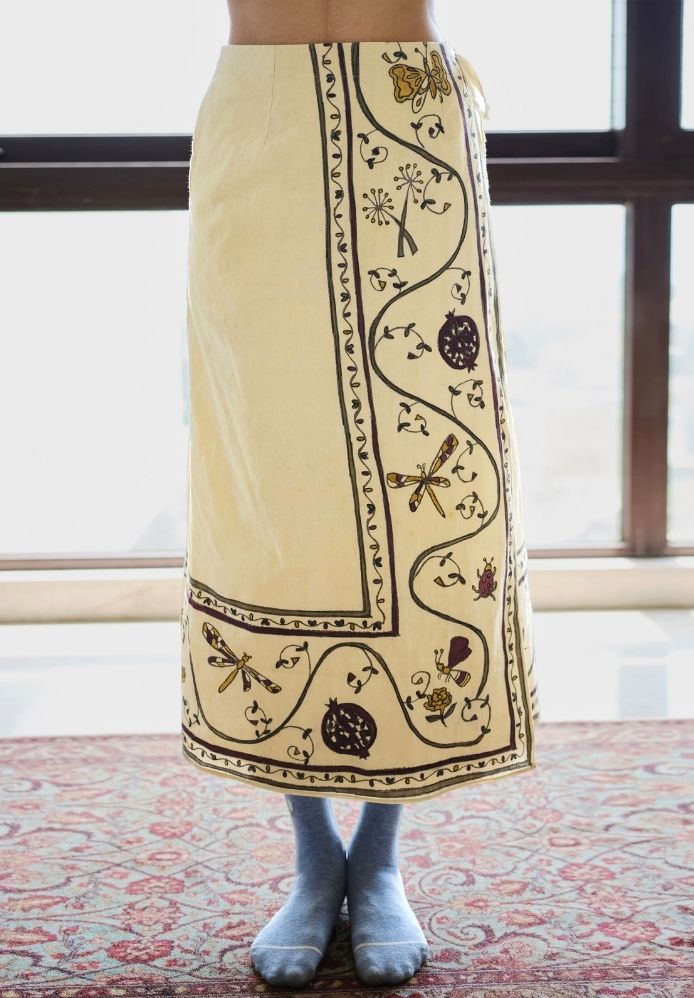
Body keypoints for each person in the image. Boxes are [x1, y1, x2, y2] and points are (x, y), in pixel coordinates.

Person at [181, 0, 541, 987]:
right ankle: (314, 857)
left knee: (426, 489)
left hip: (406, 115)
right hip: (259, 117)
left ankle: (377, 856)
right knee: (272, 491)